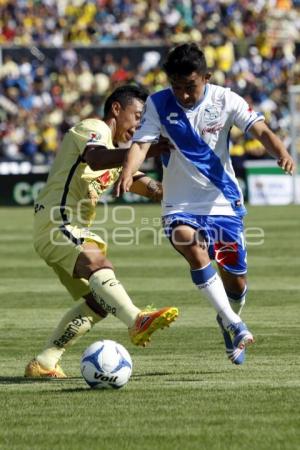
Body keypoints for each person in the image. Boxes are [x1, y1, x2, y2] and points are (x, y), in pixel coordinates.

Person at [116, 44, 295, 365]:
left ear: (206, 78)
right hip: (179, 203)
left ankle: (227, 318)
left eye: (190, 87)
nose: (183, 95)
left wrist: (280, 151)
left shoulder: (226, 99)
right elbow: (141, 144)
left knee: (236, 281)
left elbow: (260, 129)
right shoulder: (157, 103)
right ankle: (235, 323)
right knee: (191, 247)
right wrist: (129, 171)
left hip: (223, 202)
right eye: (177, 87)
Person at [25, 84, 178, 378]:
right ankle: (136, 320)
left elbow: (153, 189)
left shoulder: (120, 157)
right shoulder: (93, 128)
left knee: (99, 302)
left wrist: (178, 180)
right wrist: (144, 149)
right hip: (57, 221)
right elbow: (95, 158)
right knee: (99, 264)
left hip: (67, 228)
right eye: (136, 116)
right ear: (116, 110)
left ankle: (45, 361)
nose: (138, 126)